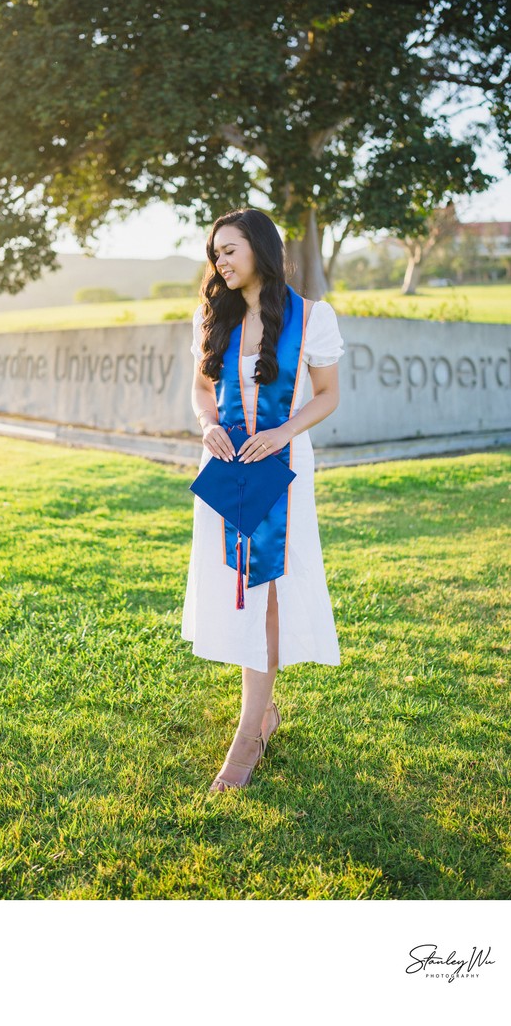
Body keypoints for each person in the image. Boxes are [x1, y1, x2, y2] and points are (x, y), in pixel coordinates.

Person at [181, 208, 345, 793]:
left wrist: (283, 432)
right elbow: (202, 389)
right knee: (240, 588)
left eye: (228, 250)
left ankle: (250, 730)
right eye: (214, 254)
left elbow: (327, 395)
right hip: (225, 468)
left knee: (269, 587)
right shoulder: (212, 318)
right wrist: (206, 424)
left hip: (281, 468)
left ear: (260, 249)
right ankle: (262, 714)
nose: (219, 262)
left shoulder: (310, 316)